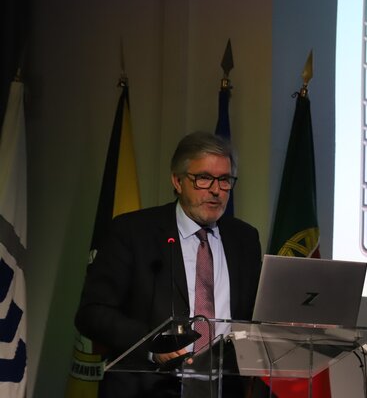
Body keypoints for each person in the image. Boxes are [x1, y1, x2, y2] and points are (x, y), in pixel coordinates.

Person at [75, 131, 262, 397]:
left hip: (223, 389)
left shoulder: (244, 238)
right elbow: (92, 313)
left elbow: (252, 318)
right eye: (203, 178)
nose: (215, 190)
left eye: (224, 180)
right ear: (177, 181)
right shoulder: (132, 231)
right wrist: (152, 344)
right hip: (146, 389)